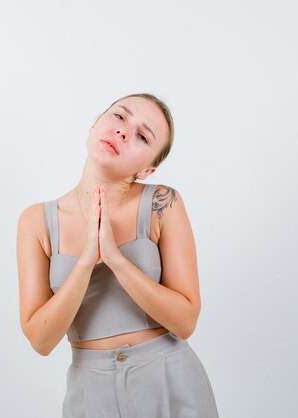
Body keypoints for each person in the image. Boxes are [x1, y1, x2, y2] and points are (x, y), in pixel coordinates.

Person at [16, 93, 220, 417]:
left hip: (171, 386)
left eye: (142, 136)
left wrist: (115, 259)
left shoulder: (162, 204)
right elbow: (41, 340)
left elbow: (186, 321)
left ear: (147, 169)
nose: (124, 132)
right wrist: (85, 262)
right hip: (91, 397)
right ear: (95, 123)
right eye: (120, 117)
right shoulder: (36, 222)